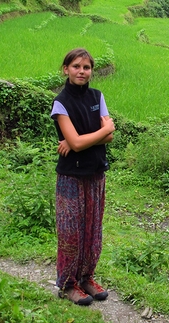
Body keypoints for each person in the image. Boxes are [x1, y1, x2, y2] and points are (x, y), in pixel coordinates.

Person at [50, 48, 115, 306]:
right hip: (71, 177)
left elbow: (106, 136)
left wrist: (77, 141)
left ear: (91, 71)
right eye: (76, 66)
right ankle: (67, 285)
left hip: (96, 173)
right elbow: (86, 139)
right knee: (71, 233)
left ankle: (87, 277)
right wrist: (96, 133)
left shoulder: (97, 96)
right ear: (66, 69)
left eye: (86, 67)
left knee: (92, 231)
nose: (81, 71)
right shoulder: (61, 102)